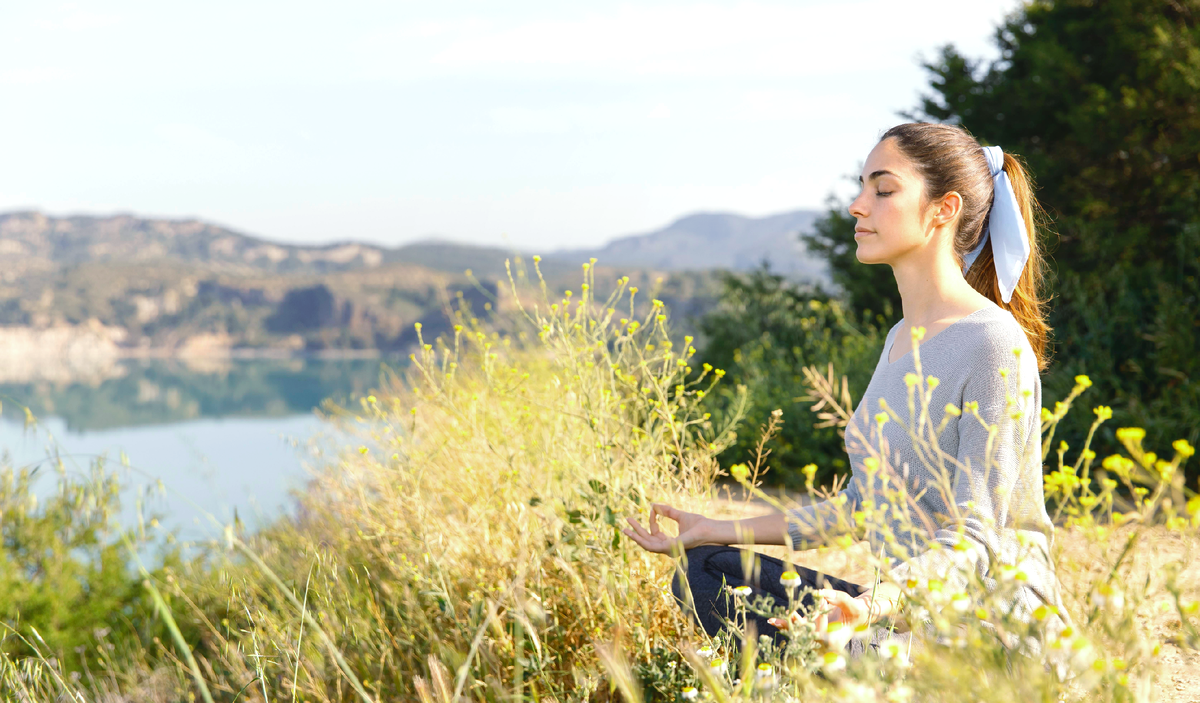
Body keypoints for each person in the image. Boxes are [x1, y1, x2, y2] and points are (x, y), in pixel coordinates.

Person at [623, 122, 1070, 657]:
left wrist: (874, 605)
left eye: (883, 190)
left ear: (942, 209)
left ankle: (861, 666)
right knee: (706, 569)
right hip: (904, 614)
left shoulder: (994, 343)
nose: (858, 205)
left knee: (829, 645)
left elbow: (977, 541)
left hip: (986, 637)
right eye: (862, 187)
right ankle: (849, 661)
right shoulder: (899, 339)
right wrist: (712, 526)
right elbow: (862, 506)